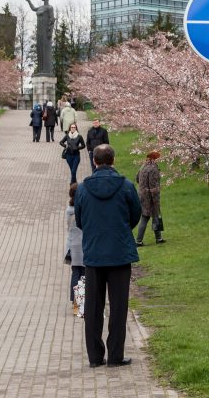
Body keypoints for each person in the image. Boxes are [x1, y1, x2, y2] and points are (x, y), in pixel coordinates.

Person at [75, 144, 141, 368]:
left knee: (93, 307)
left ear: (94, 161)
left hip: (94, 254)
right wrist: (121, 230)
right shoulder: (126, 186)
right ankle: (115, 355)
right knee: (119, 306)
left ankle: (95, 356)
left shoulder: (83, 189)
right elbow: (135, 215)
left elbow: (80, 220)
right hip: (120, 253)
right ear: (113, 160)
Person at [135, 151, 165, 246]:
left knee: (152, 216)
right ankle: (139, 240)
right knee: (147, 217)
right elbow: (153, 186)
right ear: (154, 158)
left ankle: (158, 238)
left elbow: (137, 178)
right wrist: (155, 198)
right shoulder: (153, 169)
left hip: (142, 194)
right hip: (150, 196)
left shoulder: (143, 166)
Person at [65, 183, 84, 316]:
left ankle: (75, 303)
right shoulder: (82, 209)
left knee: (75, 273)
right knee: (83, 274)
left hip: (72, 244)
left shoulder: (69, 209)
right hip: (83, 244)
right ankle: (80, 302)